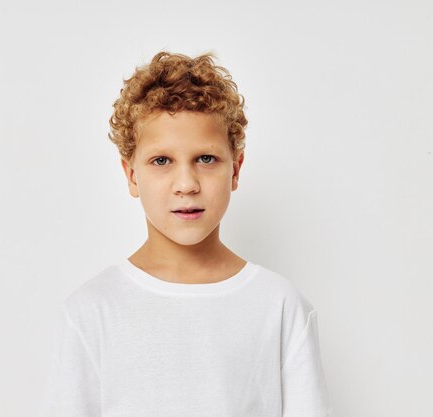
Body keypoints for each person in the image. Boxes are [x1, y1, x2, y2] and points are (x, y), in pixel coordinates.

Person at [38, 50, 332, 417]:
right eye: (161, 161)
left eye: (205, 159)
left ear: (235, 170)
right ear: (131, 175)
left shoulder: (280, 306)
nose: (186, 184)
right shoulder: (91, 311)